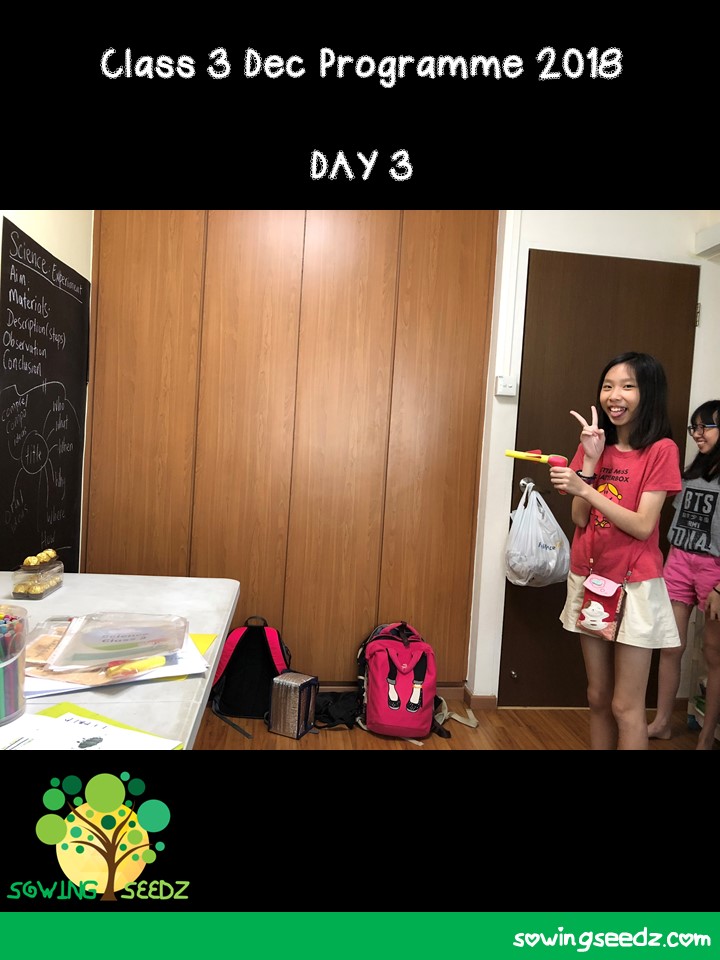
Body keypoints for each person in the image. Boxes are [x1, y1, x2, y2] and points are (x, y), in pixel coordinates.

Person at [549, 352, 682, 750]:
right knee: (597, 697)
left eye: (627, 386)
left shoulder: (661, 450)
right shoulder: (594, 443)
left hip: (635, 584)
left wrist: (586, 488)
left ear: (648, 392)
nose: (614, 395)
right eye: (608, 386)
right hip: (590, 578)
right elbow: (579, 517)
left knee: (626, 706)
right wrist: (590, 461)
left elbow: (643, 526)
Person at [648, 400, 720, 749]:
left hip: (715, 569)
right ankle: (662, 722)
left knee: (714, 654)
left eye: (705, 427)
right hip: (679, 559)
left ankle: (706, 736)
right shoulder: (690, 472)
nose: (697, 434)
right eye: (694, 427)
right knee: (670, 646)